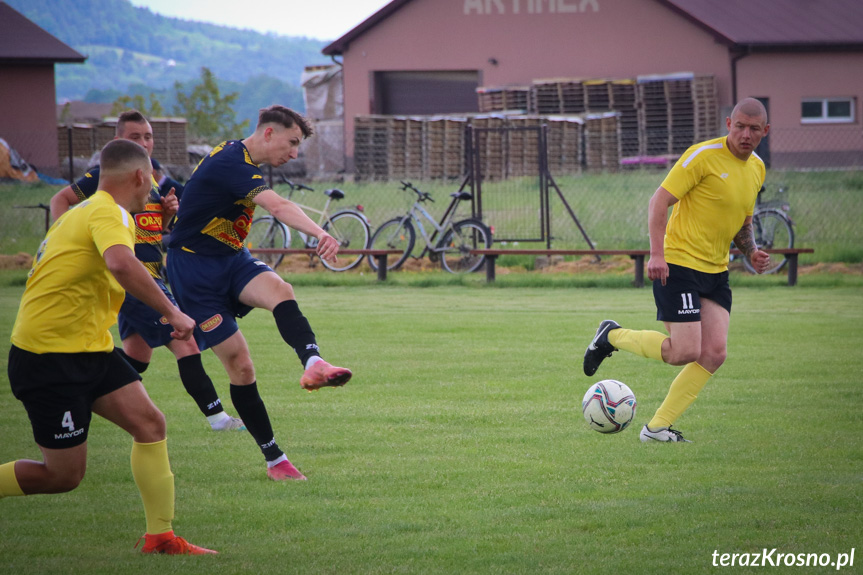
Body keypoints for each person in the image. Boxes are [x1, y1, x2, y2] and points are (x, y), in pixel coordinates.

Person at [2, 139, 216, 555]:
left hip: (90, 349)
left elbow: (115, 265)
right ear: (139, 176)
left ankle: (161, 538)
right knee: (62, 476)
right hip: (49, 358)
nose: (152, 192)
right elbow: (121, 263)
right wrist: (174, 313)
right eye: (151, 184)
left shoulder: (86, 211)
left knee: (151, 424)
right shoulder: (106, 210)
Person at [166, 105, 352, 481]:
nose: (295, 153)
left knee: (281, 289)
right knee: (241, 365)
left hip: (232, 259)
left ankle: (314, 363)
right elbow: (278, 206)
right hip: (194, 272)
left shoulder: (243, 160)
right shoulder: (233, 161)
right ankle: (274, 460)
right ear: (269, 133)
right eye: (293, 142)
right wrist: (321, 234)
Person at [582, 97, 771, 443]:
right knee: (683, 352)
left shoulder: (757, 167)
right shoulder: (702, 156)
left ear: (764, 132)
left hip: (716, 271)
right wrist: (657, 255)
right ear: (729, 124)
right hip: (679, 263)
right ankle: (610, 336)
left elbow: (743, 221)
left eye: (754, 129)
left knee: (714, 354)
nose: (746, 134)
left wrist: (752, 251)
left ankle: (656, 429)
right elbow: (659, 200)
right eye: (740, 126)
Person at [50, 110, 244, 433]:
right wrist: (57, 237)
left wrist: (167, 216)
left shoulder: (150, 178)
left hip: (149, 275)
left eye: (148, 136)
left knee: (137, 356)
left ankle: (75, 395)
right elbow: (61, 198)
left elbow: (151, 231)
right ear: (117, 141)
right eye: (135, 136)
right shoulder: (107, 176)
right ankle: (218, 418)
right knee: (186, 342)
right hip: (133, 277)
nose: (143, 142)